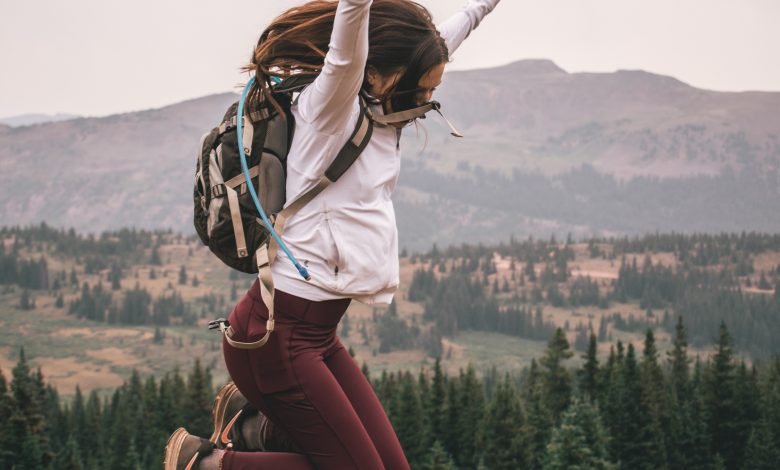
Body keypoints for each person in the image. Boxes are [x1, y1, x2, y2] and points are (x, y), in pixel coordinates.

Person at [164, 0, 501, 468]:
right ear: (380, 73)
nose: (426, 102)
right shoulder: (332, 107)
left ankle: (253, 426)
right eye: (422, 89)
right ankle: (204, 463)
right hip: (276, 339)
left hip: (315, 337)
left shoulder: (387, 109)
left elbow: (464, 22)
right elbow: (350, 29)